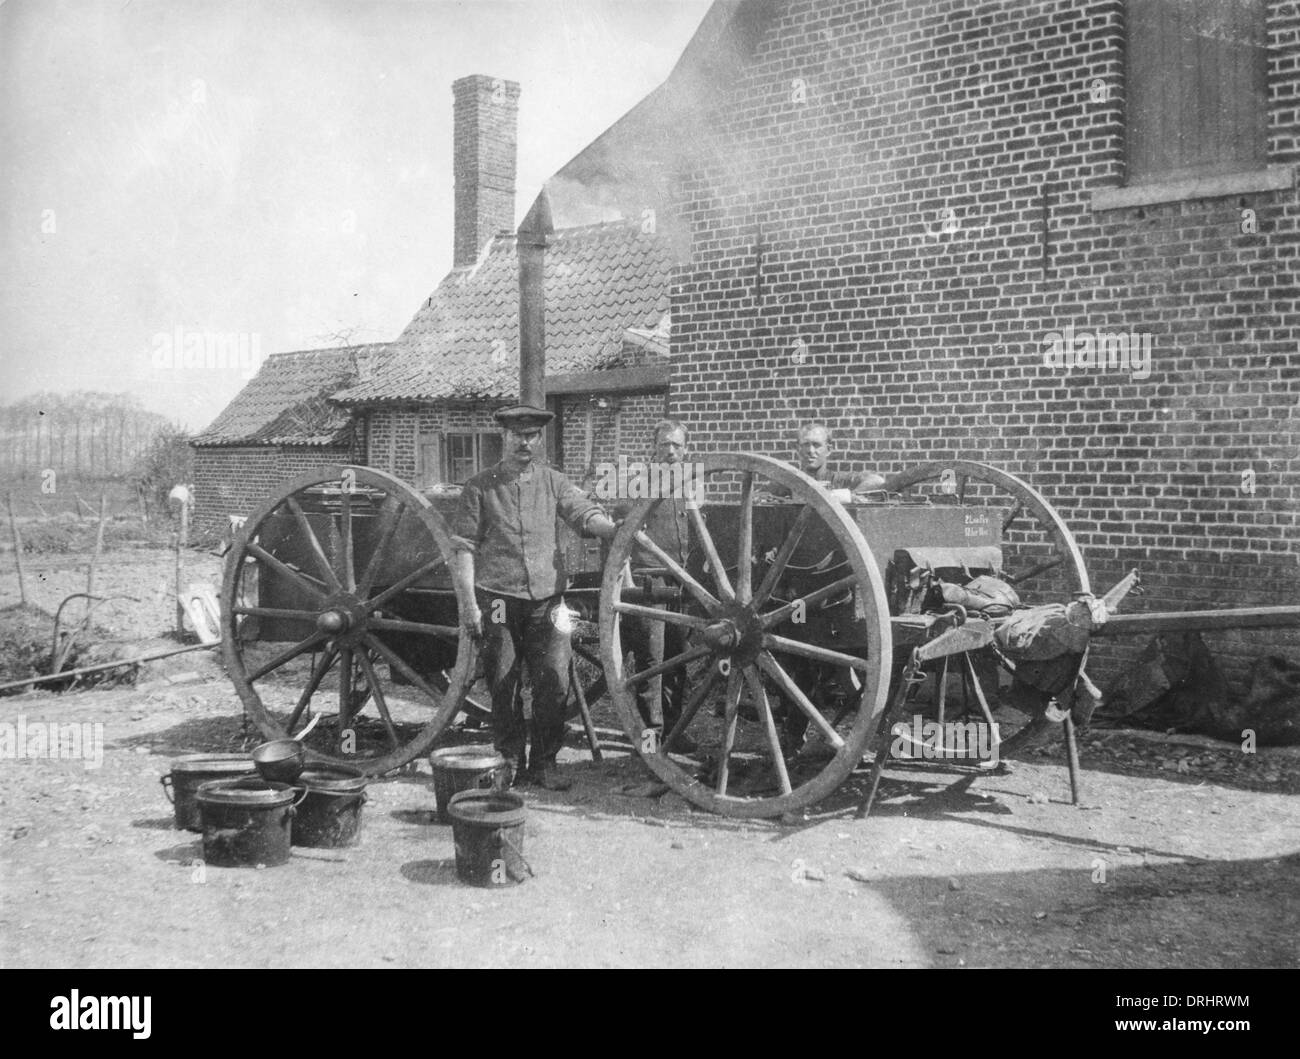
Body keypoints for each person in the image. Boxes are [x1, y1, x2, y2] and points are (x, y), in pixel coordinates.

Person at [450, 404, 618, 791]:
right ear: (504, 438)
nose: (524, 442)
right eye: (517, 435)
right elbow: (462, 547)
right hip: (497, 597)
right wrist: (468, 605)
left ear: (539, 440)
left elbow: (582, 513)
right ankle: (508, 761)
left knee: (555, 679)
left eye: (532, 436)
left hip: (549, 599)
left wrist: (610, 529)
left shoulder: (554, 482)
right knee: (503, 681)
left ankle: (544, 763)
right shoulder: (480, 486)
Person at [616, 419, 697, 754]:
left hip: (680, 581)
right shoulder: (637, 483)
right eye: (664, 444)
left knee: (678, 657)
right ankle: (650, 735)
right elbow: (621, 536)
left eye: (677, 445)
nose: (670, 451)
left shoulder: (689, 483)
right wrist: (630, 582)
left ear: (686, 449)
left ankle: (675, 731)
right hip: (650, 579)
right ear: (654, 447)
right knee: (653, 660)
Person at [768, 422, 889, 500]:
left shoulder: (840, 480)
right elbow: (758, 497)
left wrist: (847, 496)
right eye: (805, 445)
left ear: (829, 449)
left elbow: (876, 481)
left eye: (816, 445)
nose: (810, 450)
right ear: (798, 449)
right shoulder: (787, 483)